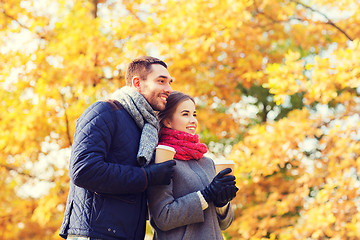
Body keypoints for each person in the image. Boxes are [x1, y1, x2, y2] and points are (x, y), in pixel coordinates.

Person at [59, 56, 177, 240]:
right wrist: (147, 176)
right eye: (161, 81)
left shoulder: (147, 129)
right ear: (137, 83)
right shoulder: (103, 112)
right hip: (94, 233)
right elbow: (83, 170)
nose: (168, 89)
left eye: (169, 82)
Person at [147, 91, 238, 240]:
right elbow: (163, 217)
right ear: (168, 121)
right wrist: (206, 195)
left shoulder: (207, 162)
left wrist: (222, 202)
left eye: (194, 114)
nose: (193, 120)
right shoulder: (162, 159)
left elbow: (224, 224)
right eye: (185, 114)